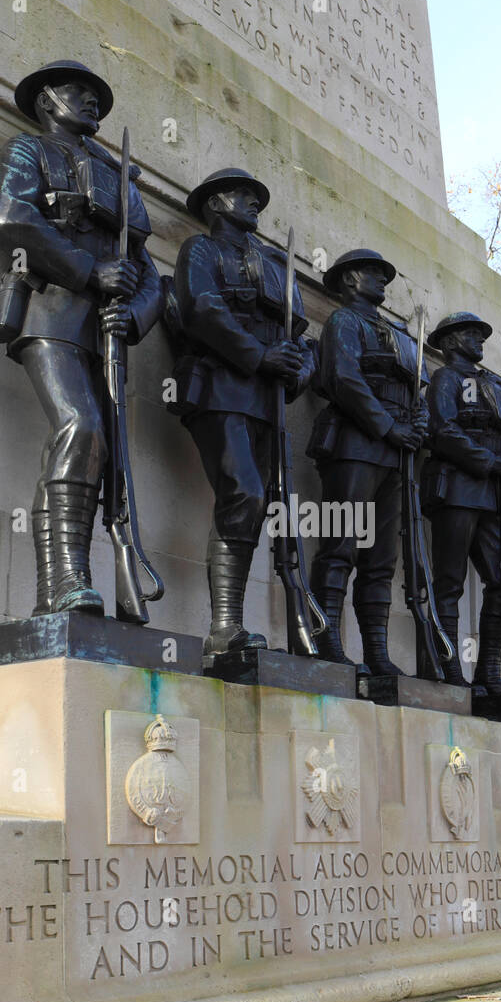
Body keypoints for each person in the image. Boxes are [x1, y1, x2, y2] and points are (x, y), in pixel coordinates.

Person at [0, 59, 163, 615]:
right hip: (49, 311)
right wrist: (90, 273)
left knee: (102, 452)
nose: (90, 102)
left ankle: (75, 586)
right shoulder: (27, 151)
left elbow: (149, 272)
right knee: (79, 428)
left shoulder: (118, 177)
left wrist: (136, 314)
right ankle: (63, 583)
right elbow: (12, 217)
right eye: (77, 92)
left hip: (106, 330)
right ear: (46, 101)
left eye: (96, 96)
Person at [165, 168, 314, 660]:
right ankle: (224, 625)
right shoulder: (200, 251)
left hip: (267, 398)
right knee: (243, 492)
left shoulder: (275, 264)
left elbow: (301, 337)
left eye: (256, 196)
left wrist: (297, 368)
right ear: (215, 205)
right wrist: (258, 355)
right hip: (222, 387)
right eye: (241, 195)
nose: (253, 202)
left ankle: (233, 625)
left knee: (257, 502)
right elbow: (203, 310)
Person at [307, 249, 428, 676]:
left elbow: (420, 394)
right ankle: (327, 642)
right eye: (369, 273)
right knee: (339, 546)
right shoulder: (344, 322)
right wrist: (387, 427)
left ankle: (376, 651)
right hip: (356, 444)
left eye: (383, 273)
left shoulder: (398, 334)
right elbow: (344, 379)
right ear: (347, 281)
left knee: (381, 558)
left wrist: (417, 427)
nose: (380, 279)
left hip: (397, 453)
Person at [420, 312, 501, 693]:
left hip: (494, 495)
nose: (479, 340)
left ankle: (487, 671)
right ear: (450, 342)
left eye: (480, 335)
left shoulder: (497, 387)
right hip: (457, 489)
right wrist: (491, 462)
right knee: (449, 581)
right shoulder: (445, 379)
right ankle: (447, 664)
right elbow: (444, 430)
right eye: (470, 334)